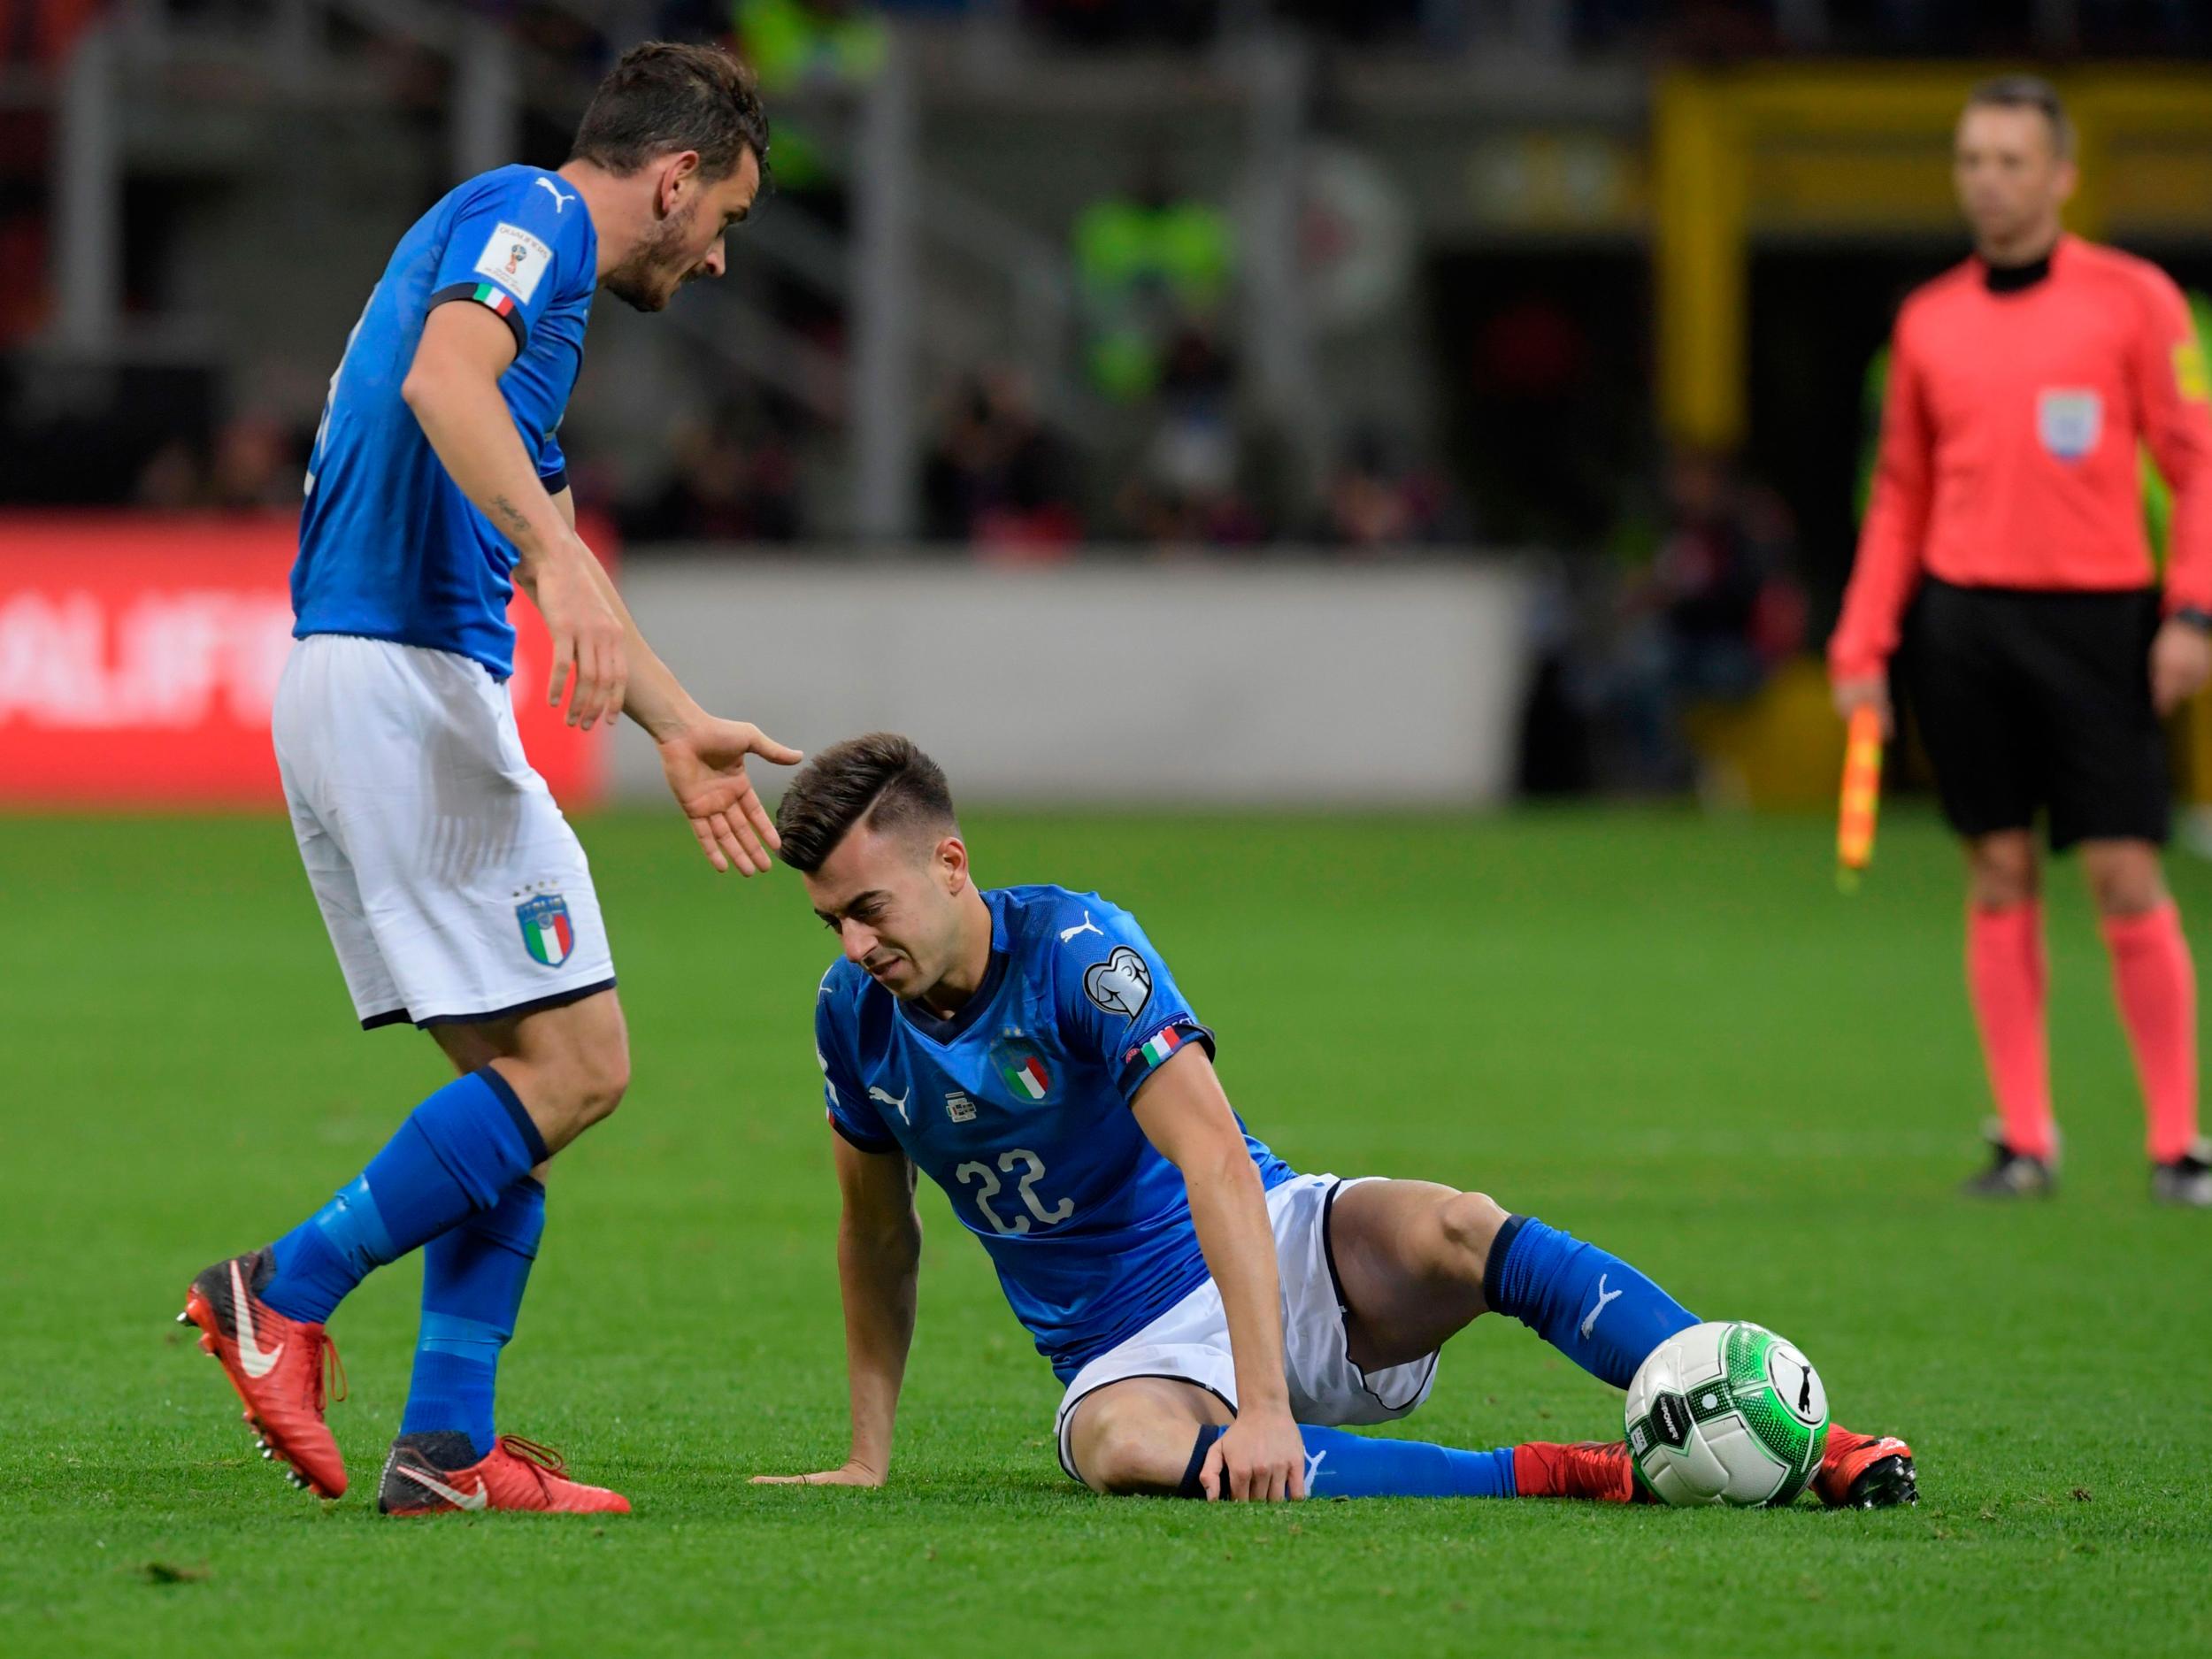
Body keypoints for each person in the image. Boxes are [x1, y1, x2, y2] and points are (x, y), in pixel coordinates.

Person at [179, 42, 801, 1516]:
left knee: (519, 1090)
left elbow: (497, 442)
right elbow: (445, 378)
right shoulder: (530, 220)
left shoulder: (528, 307)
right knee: (583, 1069)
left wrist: (672, 720)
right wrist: (561, 558)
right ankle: (281, 1290)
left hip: (361, 680)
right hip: (403, 685)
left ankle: (447, 1452)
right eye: (728, 216)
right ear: (673, 178)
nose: (720, 257)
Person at [751, 733, 1916, 1507]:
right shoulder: (852, 1016)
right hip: (1129, 1353)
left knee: (1461, 1226)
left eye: (868, 907)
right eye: (829, 923)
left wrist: (1268, 1404)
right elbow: (878, 1234)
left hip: (1275, 1241)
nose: (855, 944)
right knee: (1120, 1447)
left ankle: (1807, 1434)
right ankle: (1573, 1470)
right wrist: (867, 1454)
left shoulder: (1078, 951)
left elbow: (1211, 1160)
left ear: (949, 863)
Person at [1830, 76, 2212, 1207]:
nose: (1986, 182)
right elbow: (1897, 494)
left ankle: (2178, 1142)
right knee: (1995, 869)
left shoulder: (2136, 301)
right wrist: (1862, 645)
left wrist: (2190, 610)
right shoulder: (1927, 320)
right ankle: (2026, 1139)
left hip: (2098, 620)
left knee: (2123, 870)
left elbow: (2195, 466)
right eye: (1970, 160)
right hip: (1961, 624)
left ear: (2060, 176)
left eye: (2008, 160)